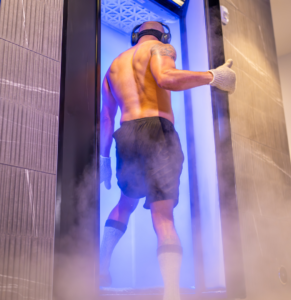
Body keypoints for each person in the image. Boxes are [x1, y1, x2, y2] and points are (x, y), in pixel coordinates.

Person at [99, 21, 236, 300]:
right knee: (163, 217)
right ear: (164, 35)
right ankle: (172, 293)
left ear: (134, 36)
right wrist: (213, 75)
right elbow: (166, 78)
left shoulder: (113, 66)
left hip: (124, 135)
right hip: (156, 132)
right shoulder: (161, 47)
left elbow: (105, 117)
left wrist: (103, 158)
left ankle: (100, 268)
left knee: (125, 202)